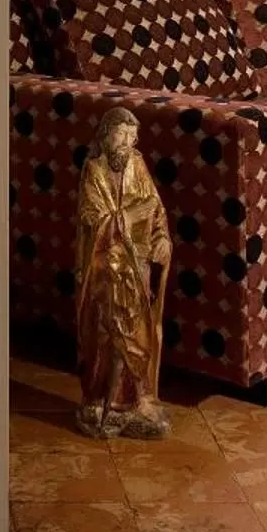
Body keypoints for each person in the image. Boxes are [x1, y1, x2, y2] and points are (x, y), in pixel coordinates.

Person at [75, 107, 172, 439]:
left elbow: (155, 207)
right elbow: (92, 217)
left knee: (137, 336)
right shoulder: (94, 170)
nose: (127, 142)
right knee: (108, 337)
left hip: (137, 265)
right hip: (106, 270)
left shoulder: (138, 165)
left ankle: (133, 401)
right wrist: (129, 217)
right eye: (120, 134)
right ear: (105, 135)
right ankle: (102, 402)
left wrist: (161, 238)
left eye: (132, 136)